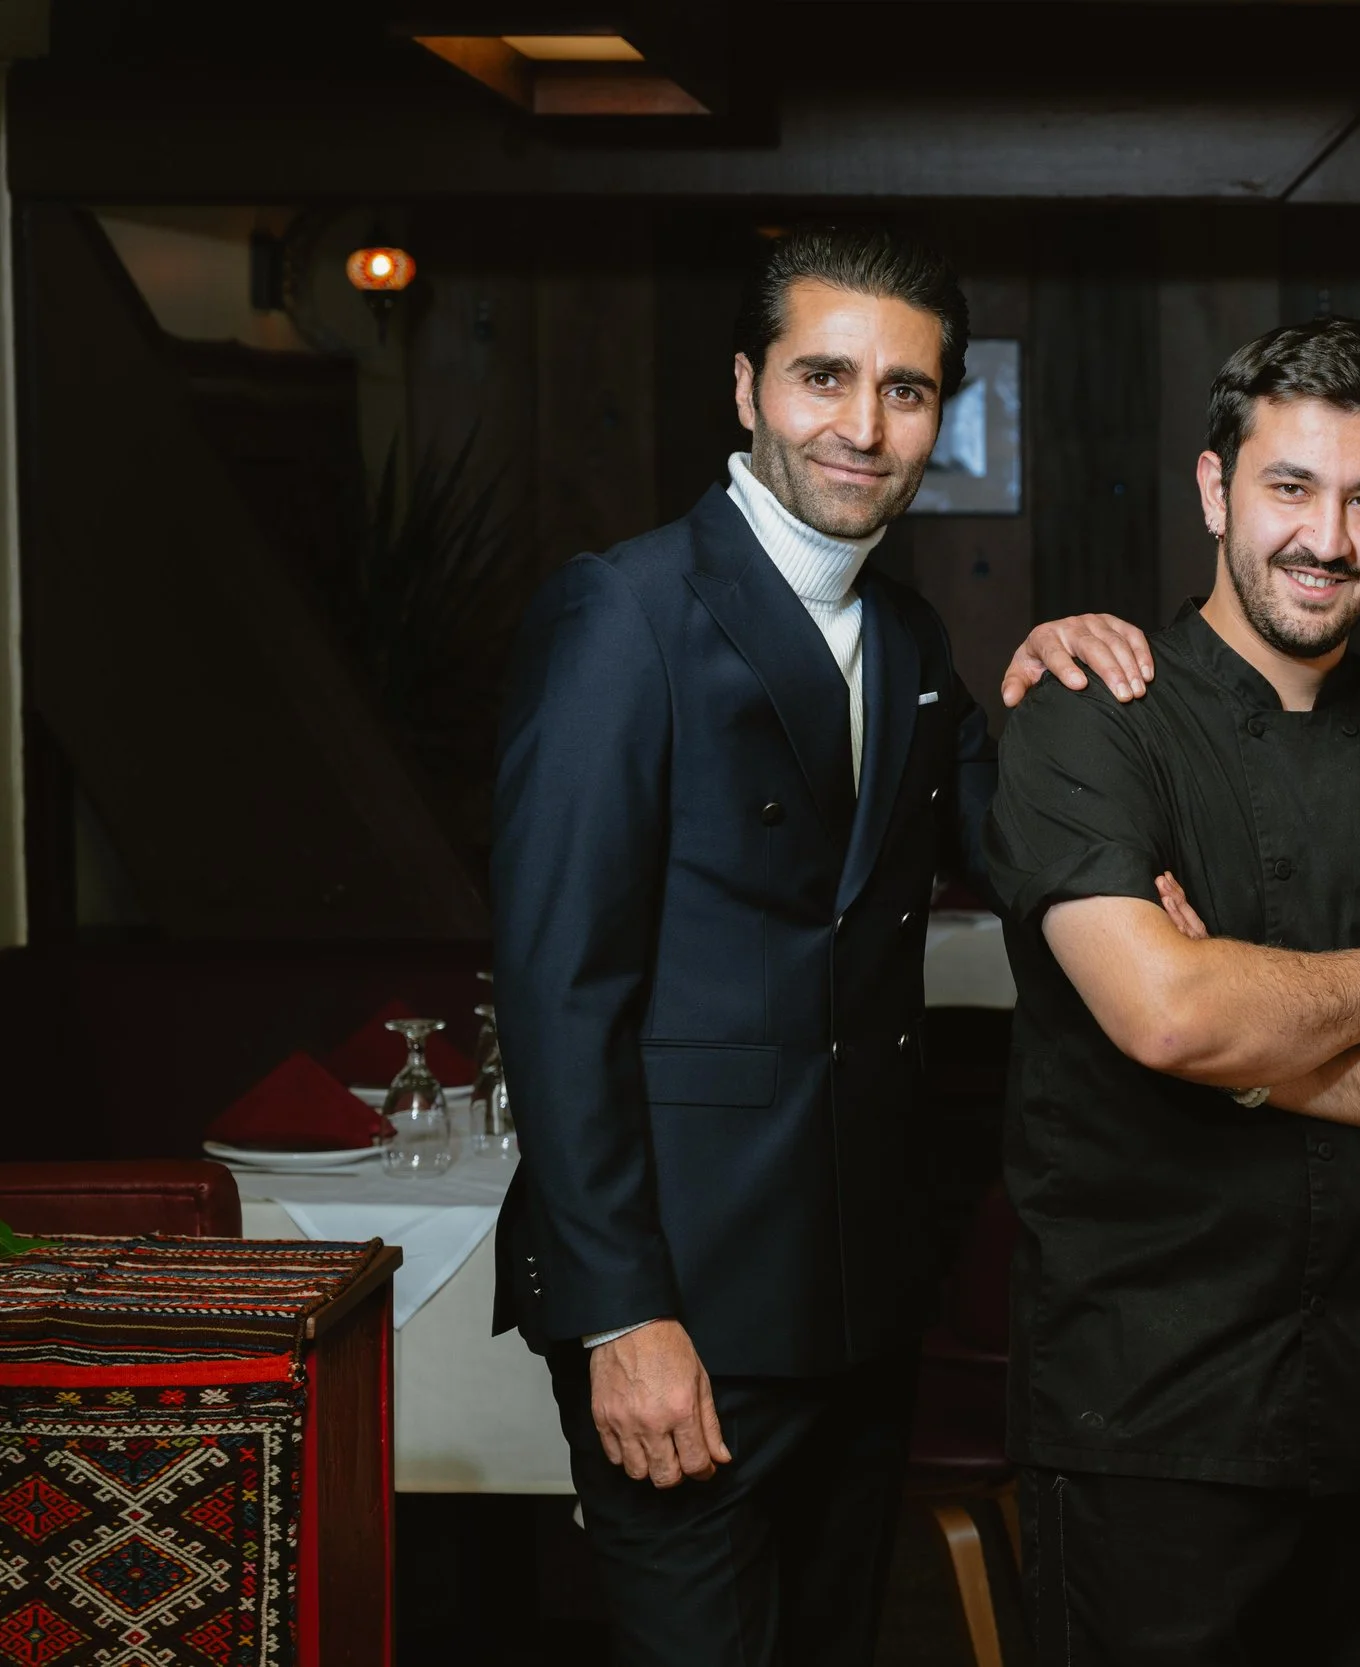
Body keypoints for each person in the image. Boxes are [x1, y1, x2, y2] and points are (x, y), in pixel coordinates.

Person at [491, 222, 1136, 1667]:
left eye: (906, 391)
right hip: (684, 1307)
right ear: (746, 387)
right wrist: (622, 1316)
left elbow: (1016, 842)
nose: (862, 425)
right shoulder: (625, 612)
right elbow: (557, 987)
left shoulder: (907, 636)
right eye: (823, 377)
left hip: (854, 1292)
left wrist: (1060, 691)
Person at [982, 317, 1360, 1665]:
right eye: (1290, 488)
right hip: (1150, 1410)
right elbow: (1167, 1012)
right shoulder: (1087, 716)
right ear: (1214, 491)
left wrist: (1256, 1046)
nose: (1327, 538)